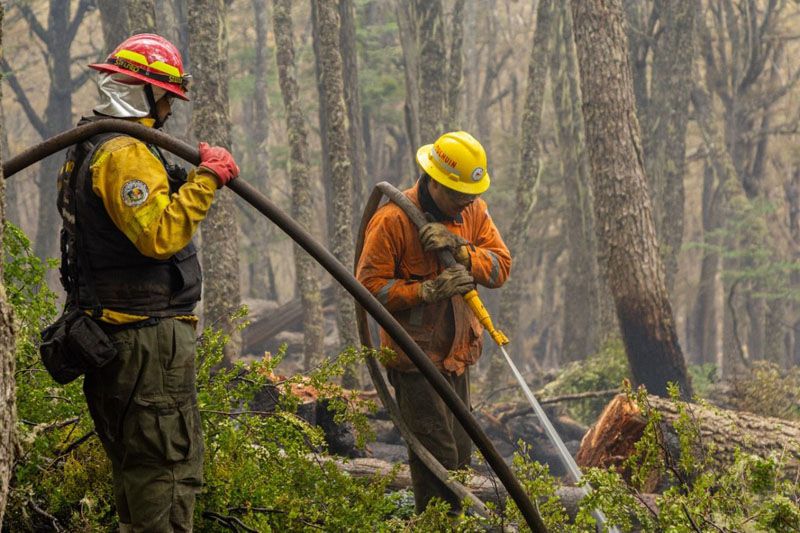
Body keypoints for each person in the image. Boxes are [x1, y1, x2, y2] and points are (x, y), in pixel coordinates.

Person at [55, 34, 238, 532]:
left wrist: (186, 174)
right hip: (145, 345)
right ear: (141, 92)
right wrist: (206, 181)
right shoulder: (124, 154)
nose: (169, 111)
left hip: (115, 339)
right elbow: (159, 235)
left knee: (138, 475)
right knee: (167, 472)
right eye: (165, 98)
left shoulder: (90, 146)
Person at [356, 131, 511, 513]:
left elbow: (500, 266)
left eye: (471, 195)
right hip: (415, 360)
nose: (467, 202)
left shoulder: (473, 211)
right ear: (435, 182)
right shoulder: (392, 220)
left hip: (457, 356)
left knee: (460, 454)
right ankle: (436, 523)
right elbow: (368, 289)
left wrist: (462, 250)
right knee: (438, 459)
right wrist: (425, 291)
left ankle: (449, 521)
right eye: (459, 195)